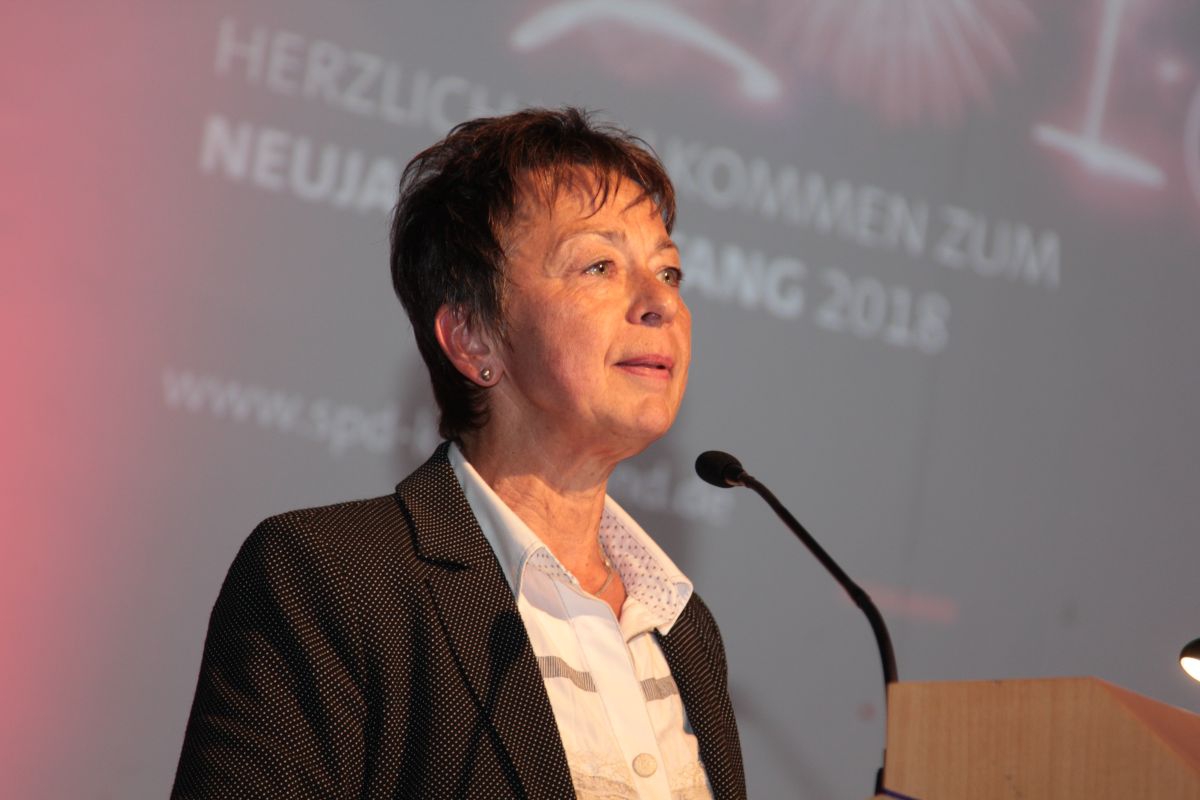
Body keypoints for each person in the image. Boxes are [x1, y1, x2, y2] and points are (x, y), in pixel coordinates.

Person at [172, 107, 745, 799]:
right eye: (599, 265)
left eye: (670, 272)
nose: (661, 304)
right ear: (474, 338)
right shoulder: (330, 579)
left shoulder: (681, 628)